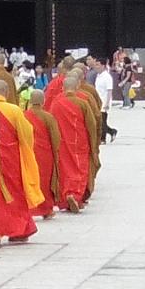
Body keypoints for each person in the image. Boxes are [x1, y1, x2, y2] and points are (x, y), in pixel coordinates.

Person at [0, 79, 44, 246]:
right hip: (11, 160)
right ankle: (19, 230)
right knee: (16, 194)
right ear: (7, 93)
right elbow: (27, 133)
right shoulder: (14, 110)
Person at [50, 75, 99, 212]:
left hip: (62, 142)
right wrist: (93, 144)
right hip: (79, 142)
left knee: (65, 169)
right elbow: (92, 124)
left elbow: (52, 123)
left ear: (63, 88)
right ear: (77, 86)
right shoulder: (82, 103)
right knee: (79, 168)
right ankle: (75, 195)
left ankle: (66, 196)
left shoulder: (56, 102)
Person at [25, 89, 61, 219]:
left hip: (27, 154)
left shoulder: (24, 115)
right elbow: (56, 138)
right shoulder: (48, 117)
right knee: (45, 182)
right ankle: (46, 209)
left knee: (29, 181)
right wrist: (55, 151)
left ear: (30, 101)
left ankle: (30, 208)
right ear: (43, 101)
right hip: (44, 154)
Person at [94, 58, 118, 144]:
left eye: (98, 65)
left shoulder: (107, 77)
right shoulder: (98, 76)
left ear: (103, 66)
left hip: (104, 101)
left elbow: (109, 91)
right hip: (97, 101)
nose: (96, 67)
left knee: (102, 121)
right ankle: (112, 131)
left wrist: (107, 103)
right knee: (99, 121)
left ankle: (102, 139)